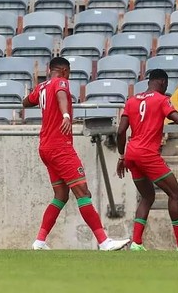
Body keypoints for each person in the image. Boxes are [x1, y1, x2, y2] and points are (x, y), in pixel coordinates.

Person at [23, 57, 131, 251]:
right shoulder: (61, 82)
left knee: (61, 195)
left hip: (45, 147)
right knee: (83, 192)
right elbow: (62, 95)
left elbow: (25, 102)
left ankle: (39, 241)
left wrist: (37, 97)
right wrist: (65, 115)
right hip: (60, 147)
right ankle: (104, 242)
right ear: (64, 70)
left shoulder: (42, 87)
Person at [116, 69, 178, 252]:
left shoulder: (131, 101)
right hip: (147, 154)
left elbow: (120, 131)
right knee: (176, 194)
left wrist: (121, 155)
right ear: (163, 83)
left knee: (147, 196)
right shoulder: (161, 100)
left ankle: (136, 243)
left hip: (131, 154)